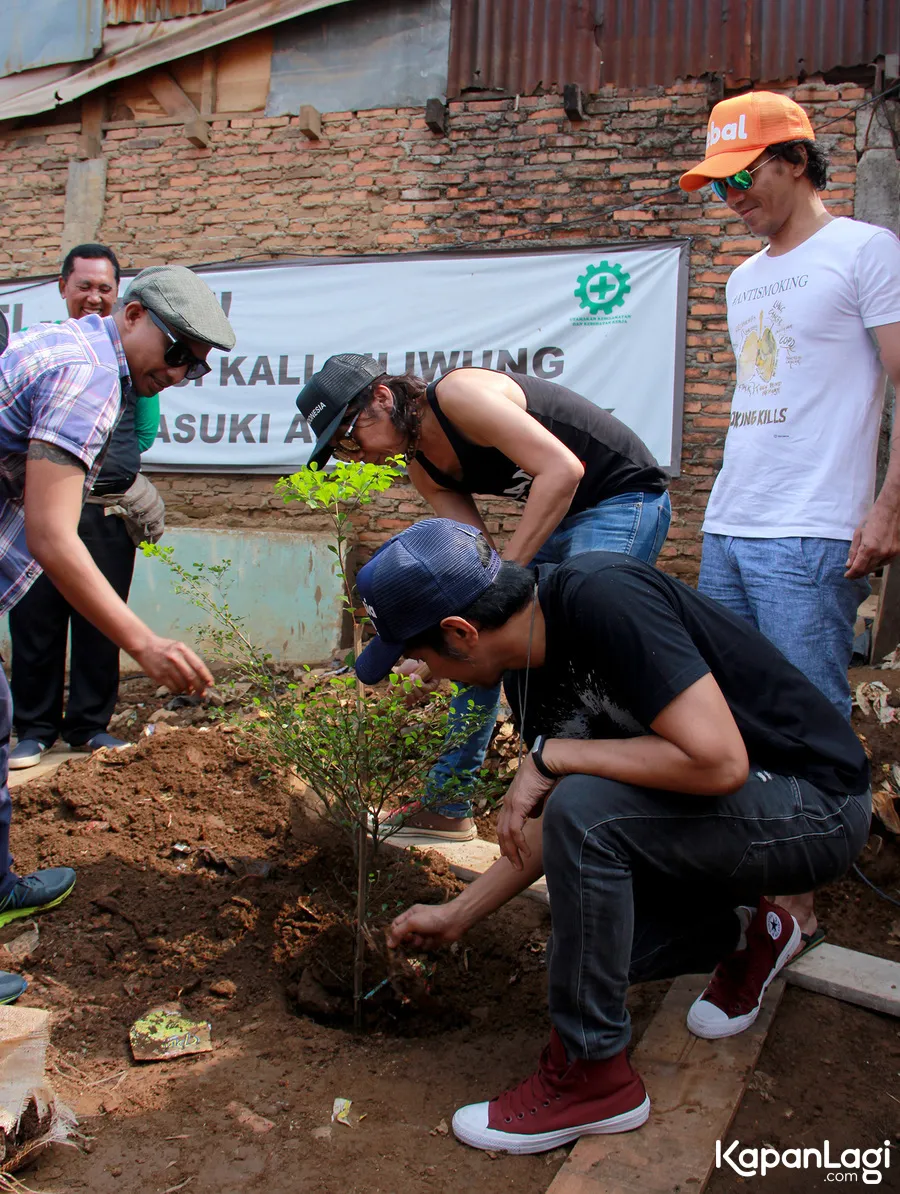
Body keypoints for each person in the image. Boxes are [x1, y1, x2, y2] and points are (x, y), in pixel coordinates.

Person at [355, 518, 869, 1155]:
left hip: (814, 806)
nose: (426, 674)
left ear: (461, 633)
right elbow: (555, 823)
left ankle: (594, 1079)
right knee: (599, 948)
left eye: (420, 655)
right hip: (729, 821)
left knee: (584, 809)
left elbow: (718, 763)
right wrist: (458, 913)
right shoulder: (524, 667)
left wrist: (551, 758)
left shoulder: (603, 597)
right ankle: (749, 932)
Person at [679, 90, 900, 944]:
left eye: (744, 175)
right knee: (726, 713)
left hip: (812, 529)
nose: (731, 196)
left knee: (804, 717)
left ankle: (796, 906)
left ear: (798, 160)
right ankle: (748, 875)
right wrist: (716, 517)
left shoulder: (865, 251)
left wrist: (887, 506)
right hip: (734, 524)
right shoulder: (743, 277)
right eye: (718, 185)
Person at [296, 355, 671, 840]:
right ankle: (447, 804)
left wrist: (503, 584)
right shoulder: (422, 467)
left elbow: (562, 470)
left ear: (382, 398)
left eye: (350, 438)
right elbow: (470, 567)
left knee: (583, 648)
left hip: (619, 498)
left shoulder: (458, 396)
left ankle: (595, 823)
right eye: (341, 451)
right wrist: (435, 646)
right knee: (475, 636)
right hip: (563, 510)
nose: (355, 455)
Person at [0, 264, 234, 1006]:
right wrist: (145, 644)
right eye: (178, 352)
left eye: (198, 363)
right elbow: (52, 535)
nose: (184, 371)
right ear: (132, 316)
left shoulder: (75, 349)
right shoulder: (93, 377)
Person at [9, 244, 164, 768]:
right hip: (40, 505)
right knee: (36, 619)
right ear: (63, 289)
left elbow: (142, 434)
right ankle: (32, 728)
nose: (95, 296)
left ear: (120, 298)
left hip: (106, 508)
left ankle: (90, 726)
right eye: (85, 286)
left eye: (105, 288)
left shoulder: (138, 369)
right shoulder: (69, 359)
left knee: (102, 617)